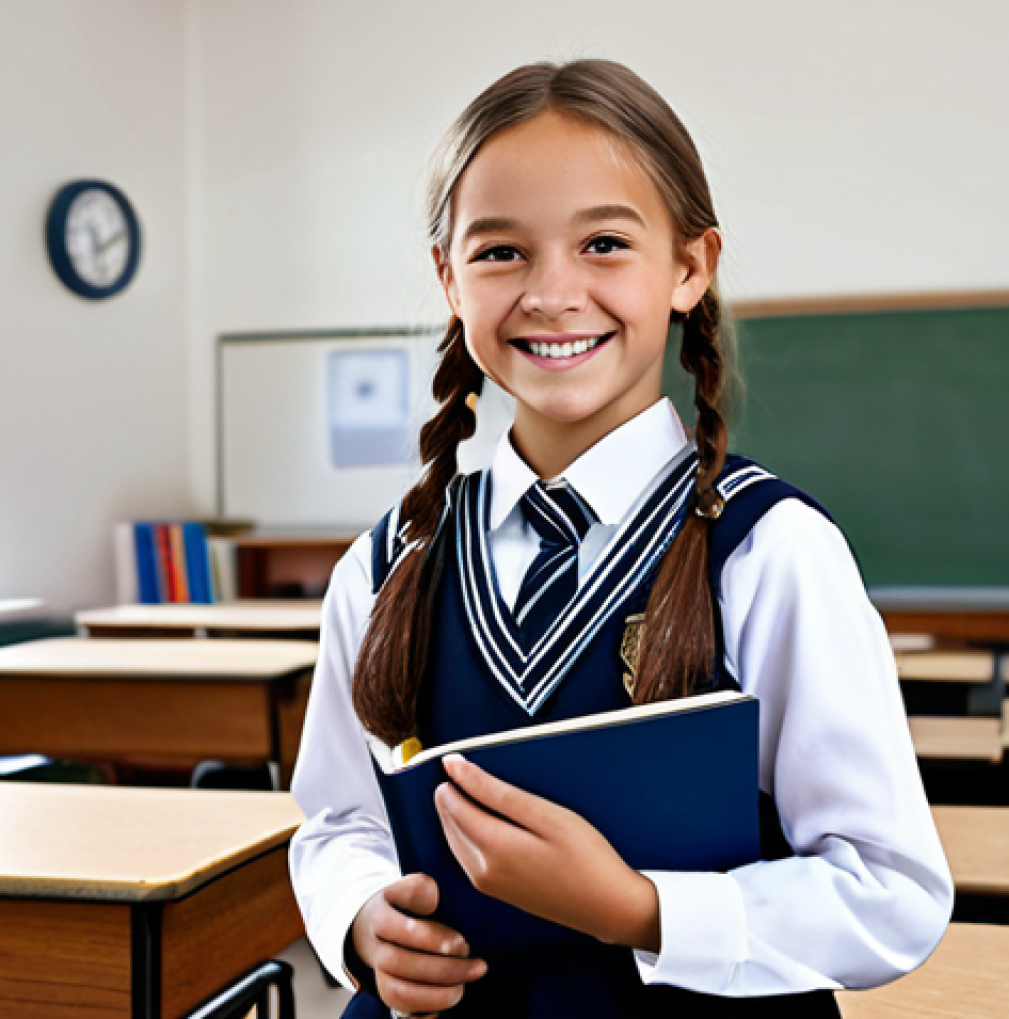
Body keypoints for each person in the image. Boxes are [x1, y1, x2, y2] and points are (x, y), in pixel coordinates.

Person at [290, 60, 952, 1019]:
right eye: (500, 253)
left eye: (603, 243)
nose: (553, 294)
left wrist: (637, 909)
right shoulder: (389, 559)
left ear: (690, 268)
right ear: (449, 277)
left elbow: (889, 893)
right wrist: (359, 918)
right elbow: (337, 820)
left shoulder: (773, 552)